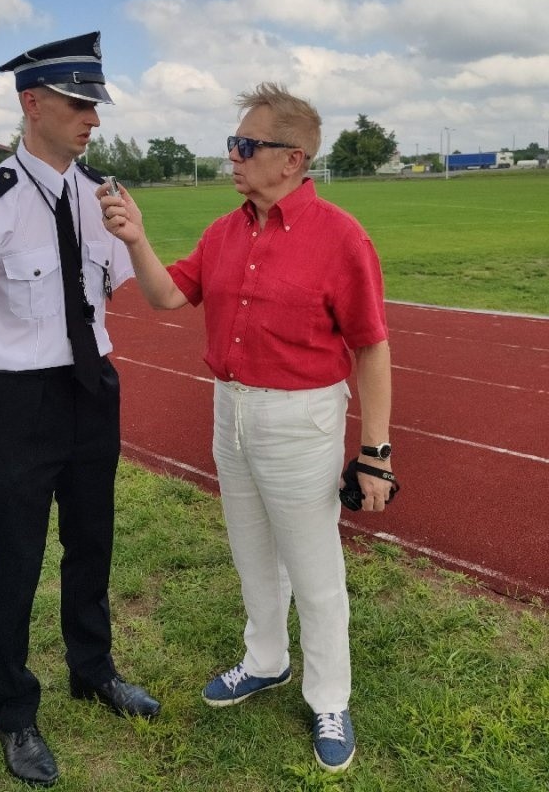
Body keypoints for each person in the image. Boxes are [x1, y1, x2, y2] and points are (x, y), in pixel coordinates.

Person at [98, 82, 393, 774]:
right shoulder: (223, 231)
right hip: (228, 409)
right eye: (233, 143)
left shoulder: (341, 237)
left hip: (302, 418)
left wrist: (375, 451)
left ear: (291, 159)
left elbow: (372, 346)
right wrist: (137, 239)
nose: (231, 156)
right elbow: (168, 294)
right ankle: (265, 659)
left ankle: (330, 696)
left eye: (245, 145)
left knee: (314, 568)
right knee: (252, 552)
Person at [0, 32, 160, 787]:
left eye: (94, 104)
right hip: (19, 400)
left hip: (92, 392)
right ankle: (14, 711)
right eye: (77, 104)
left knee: (93, 543)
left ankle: (92, 670)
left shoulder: (105, 197)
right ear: (33, 105)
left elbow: (108, 290)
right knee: (17, 557)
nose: (92, 118)